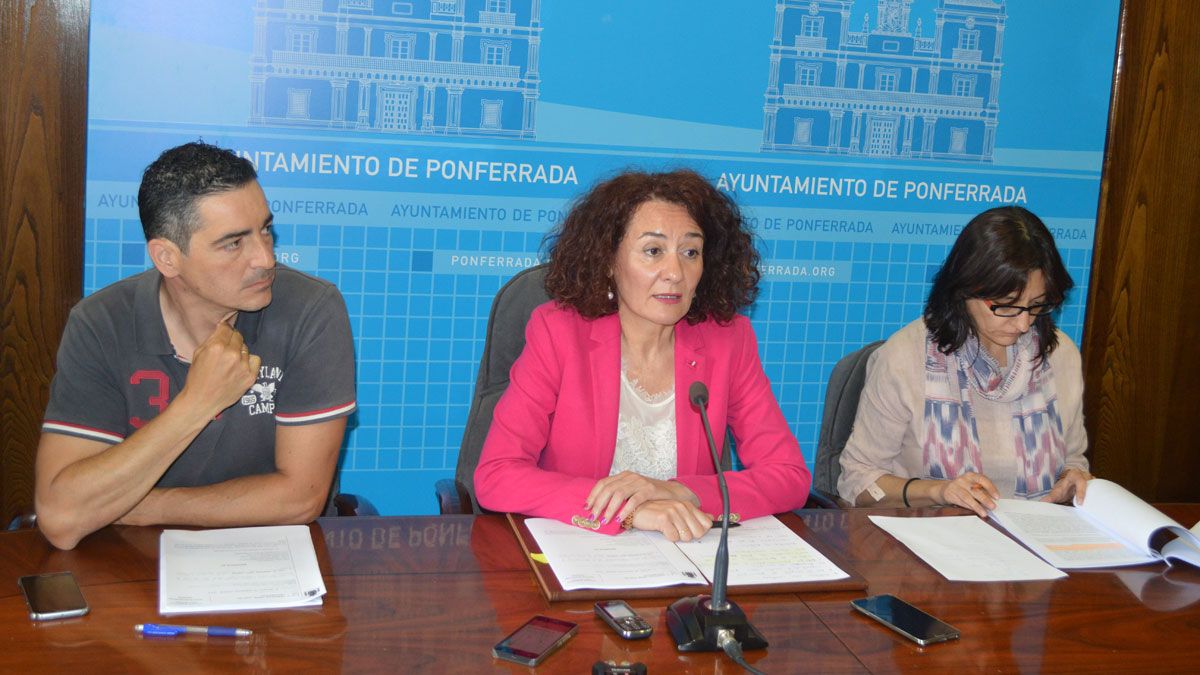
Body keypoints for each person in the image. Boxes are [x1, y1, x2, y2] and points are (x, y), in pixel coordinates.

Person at [35, 142, 356, 550]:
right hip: (128, 565)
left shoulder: (310, 310)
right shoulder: (100, 323)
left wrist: (138, 506)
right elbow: (62, 519)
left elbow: (299, 499)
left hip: (270, 558)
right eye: (233, 243)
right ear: (167, 258)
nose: (265, 258)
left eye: (265, 229)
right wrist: (199, 401)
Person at [474, 169, 810, 541]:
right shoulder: (559, 333)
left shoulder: (728, 342)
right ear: (608, 261)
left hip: (684, 557)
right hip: (582, 550)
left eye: (690, 252)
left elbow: (789, 476)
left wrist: (681, 491)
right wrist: (632, 510)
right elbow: (497, 475)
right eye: (653, 251)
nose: (675, 273)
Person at [837, 206, 1091, 516]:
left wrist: (1071, 479)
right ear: (964, 290)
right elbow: (858, 481)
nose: (1024, 324)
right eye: (1007, 306)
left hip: (1036, 542)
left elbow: (1073, 458)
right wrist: (939, 490)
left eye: (1037, 305)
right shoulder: (904, 358)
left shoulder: (1059, 355)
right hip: (930, 542)